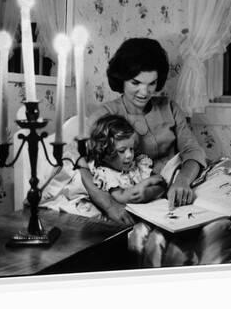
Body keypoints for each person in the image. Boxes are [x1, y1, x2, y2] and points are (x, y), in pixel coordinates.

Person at [80, 38, 206, 225]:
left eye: (152, 84)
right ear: (121, 78)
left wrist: (183, 181)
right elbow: (83, 166)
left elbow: (192, 150)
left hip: (180, 184)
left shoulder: (169, 107)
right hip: (143, 198)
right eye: (135, 82)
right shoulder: (103, 115)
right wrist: (110, 206)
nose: (144, 92)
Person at [87, 114, 166, 204]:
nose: (129, 155)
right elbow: (123, 197)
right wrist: (145, 184)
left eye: (131, 149)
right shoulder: (107, 174)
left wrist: (149, 192)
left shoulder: (137, 166)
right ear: (105, 154)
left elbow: (161, 183)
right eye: (122, 151)